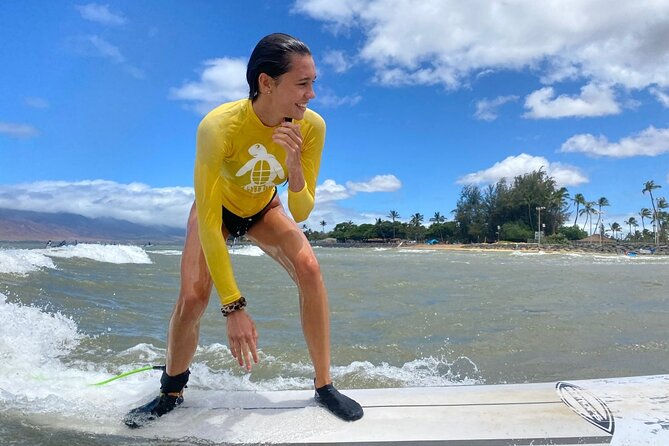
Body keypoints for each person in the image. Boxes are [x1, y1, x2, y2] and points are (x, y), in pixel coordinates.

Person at [124, 33, 363, 427]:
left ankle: (324, 386)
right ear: (266, 83)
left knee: (310, 270)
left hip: (264, 207)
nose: (312, 95)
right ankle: (171, 389)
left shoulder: (311, 128)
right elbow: (206, 215)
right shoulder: (219, 127)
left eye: (313, 83)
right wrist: (234, 306)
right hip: (214, 210)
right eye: (303, 84)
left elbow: (301, 210)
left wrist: (296, 163)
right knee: (193, 297)